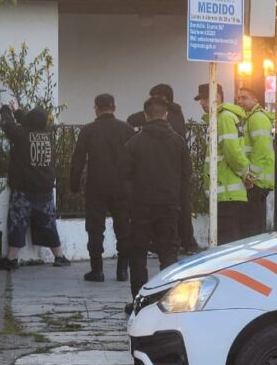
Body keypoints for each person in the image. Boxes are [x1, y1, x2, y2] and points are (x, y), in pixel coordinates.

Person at [120, 96, 192, 297]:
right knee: (168, 254)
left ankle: (139, 300)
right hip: (169, 205)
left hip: (141, 206)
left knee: (138, 254)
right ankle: (167, 297)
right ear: (166, 115)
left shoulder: (134, 143)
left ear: (145, 116)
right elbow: (187, 175)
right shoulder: (178, 142)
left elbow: (123, 176)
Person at [70, 93, 134, 282]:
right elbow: (136, 159)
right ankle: (123, 270)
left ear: (96, 108)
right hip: (122, 186)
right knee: (123, 228)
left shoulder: (88, 131)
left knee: (95, 229)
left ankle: (97, 270)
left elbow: (78, 160)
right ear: (114, 107)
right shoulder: (127, 129)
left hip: (96, 186)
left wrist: (73, 185)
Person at [0, 105, 70, 270]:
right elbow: (29, 124)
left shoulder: (22, 135)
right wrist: (19, 112)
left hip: (24, 189)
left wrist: (7, 110)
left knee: (17, 222)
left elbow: (8, 126)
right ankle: (59, 256)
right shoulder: (48, 136)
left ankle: (11, 259)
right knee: (49, 223)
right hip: (45, 189)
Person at [146, 84, 200, 254]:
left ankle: (181, 243)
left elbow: (133, 119)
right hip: (177, 169)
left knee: (176, 209)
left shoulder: (170, 116)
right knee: (180, 207)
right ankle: (184, 243)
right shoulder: (177, 113)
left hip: (171, 170)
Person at [195, 83, 252, 245]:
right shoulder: (220, 118)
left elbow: (232, 151)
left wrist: (244, 173)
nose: (201, 103)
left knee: (227, 243)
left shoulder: (225, 118)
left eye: (205, 99)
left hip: (227, 192)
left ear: (217, 97)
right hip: (224, 191)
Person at [237, 86, 275, 237]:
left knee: (252, 227)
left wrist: (251, 175)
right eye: (238, 98)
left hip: (256, 181)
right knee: (254, 225)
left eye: (244, 98)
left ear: (255, 100)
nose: (240, 101)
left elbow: (261, 149)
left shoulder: (257, 118)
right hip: (258, 180)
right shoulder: (251, 118)